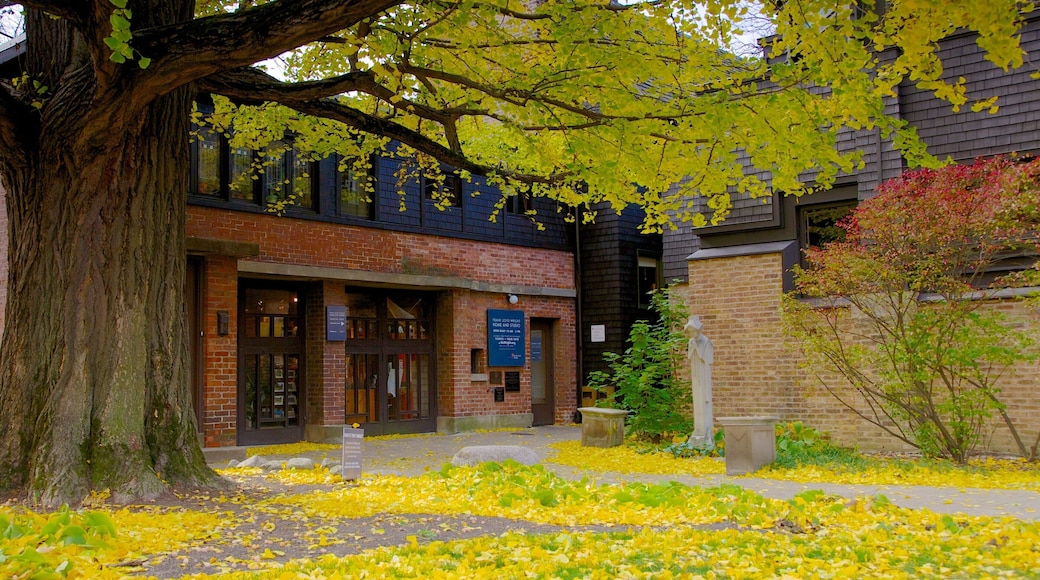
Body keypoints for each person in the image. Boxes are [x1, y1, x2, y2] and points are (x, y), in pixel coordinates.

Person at [684, 315, 715, 449]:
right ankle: (697, 432)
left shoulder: (706, 342)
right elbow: (690, 355)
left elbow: (706, 357)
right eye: (690, 333)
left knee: (704, 400)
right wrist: (693, 346)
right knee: (697, 398)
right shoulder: (691, 342)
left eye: (694, 332)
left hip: (703, 372)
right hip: (695, 371)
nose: (692, 335)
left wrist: (697, 347)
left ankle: (706, 434)